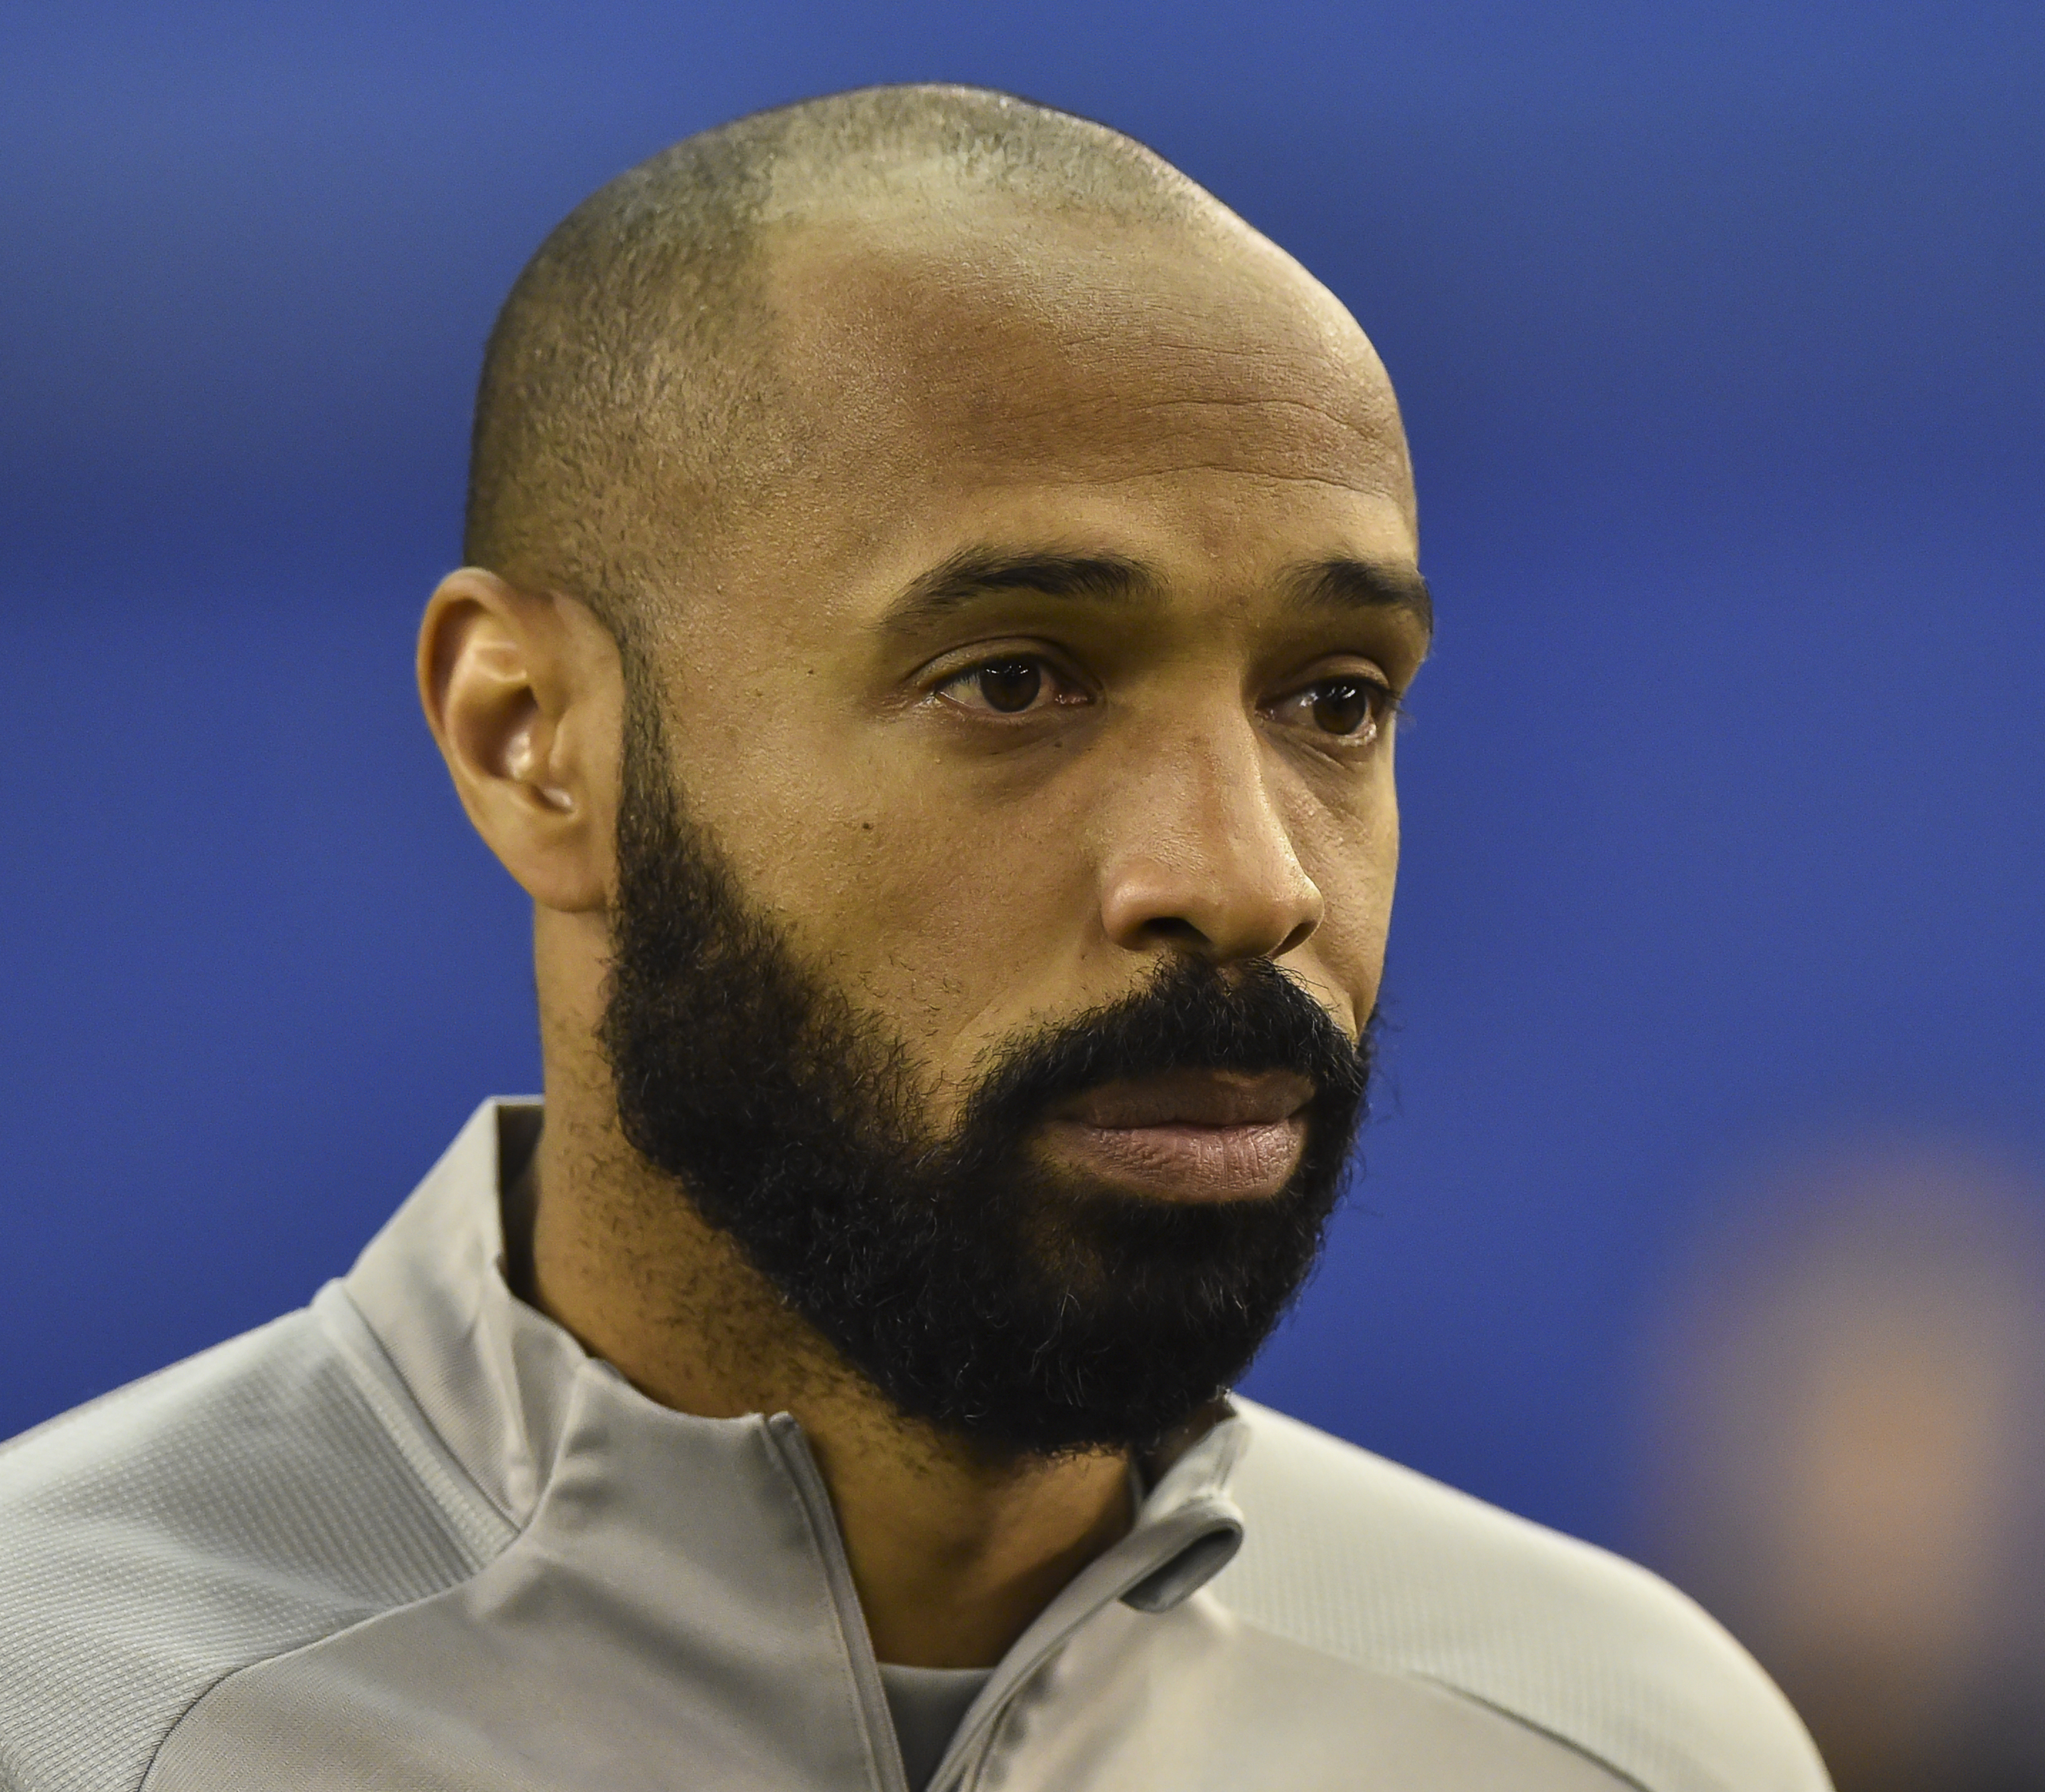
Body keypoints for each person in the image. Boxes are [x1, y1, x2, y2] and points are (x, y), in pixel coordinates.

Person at [0, 86, 1824, 1792]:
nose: (1248, 879)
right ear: (529, 738)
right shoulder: (59, 1702)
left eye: (1334, 700)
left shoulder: (1609, 1744)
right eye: (1014, 681)